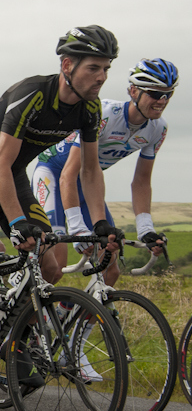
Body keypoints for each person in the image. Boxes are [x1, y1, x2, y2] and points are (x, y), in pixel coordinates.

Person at [0, 26, 124, 387]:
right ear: (67, 65)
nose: (102, 77)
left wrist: (99, 224)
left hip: (12, 180)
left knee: (51, 265)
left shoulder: (89, 110)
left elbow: (90, 170)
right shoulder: (30, 95)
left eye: (107, 68)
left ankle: (15, 343)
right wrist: (16, 223)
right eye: (94, 68)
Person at [32, 58, 177, 285]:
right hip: (53, 173)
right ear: (133, 91)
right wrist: (77, 226)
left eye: (168, 94)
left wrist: (146, 229)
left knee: (110, 269)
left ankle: (69, 316)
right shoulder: (106, 114)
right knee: (55, 264)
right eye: (155, 94)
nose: (162, 101)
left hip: (86, 184)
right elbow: (69, 174)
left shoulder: (158, 128)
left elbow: (141, 182)